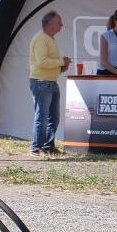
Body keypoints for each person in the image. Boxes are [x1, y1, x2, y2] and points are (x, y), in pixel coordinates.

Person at [28, 10, 70, 155]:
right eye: (59, 22)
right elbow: (42, 62)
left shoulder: (49, 39)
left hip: (50, 82)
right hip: (41, 83)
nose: (62, 25)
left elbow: (47, 64)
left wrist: (62, 66)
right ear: (50, 24)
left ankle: (47, 147)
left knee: (53, 117)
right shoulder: (41, 39)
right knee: (43, 117)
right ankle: (36, 148)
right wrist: (61, 62)